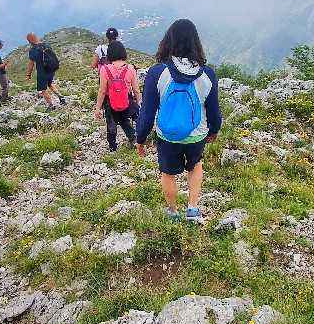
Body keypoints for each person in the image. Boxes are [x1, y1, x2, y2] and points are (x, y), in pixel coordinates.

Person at [136, 19, 221, 223]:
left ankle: (173, 212)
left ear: (169, 40)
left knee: (167, 173)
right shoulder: (207, 74)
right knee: (195, 165)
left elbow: (147, 111)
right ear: (195, 42)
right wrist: (214, 130)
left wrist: (140, 137)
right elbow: (213, 110)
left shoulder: (157, 72)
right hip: (196, 134)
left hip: (167, 136)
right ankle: (192, 209)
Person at [94, 40, 140, 151]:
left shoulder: (105, 69)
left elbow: (102, 91)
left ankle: (112, 147)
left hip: (110, 101)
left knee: (111, 124)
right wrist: (138, 103)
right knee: (124, 120)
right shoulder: (130, 68)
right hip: (125, 100)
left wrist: (98, 108)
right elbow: (136, 90)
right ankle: (133, 139)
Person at [25, 32, 66, 109]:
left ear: (30, 41)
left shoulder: (33, 50)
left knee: (43, 90)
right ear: (36, 37)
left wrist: (28, 75)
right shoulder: (46, 45)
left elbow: (31, 64)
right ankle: (61, 97)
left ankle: (51, 106)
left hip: (42, 72)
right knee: (50, 84)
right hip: (51, 69)